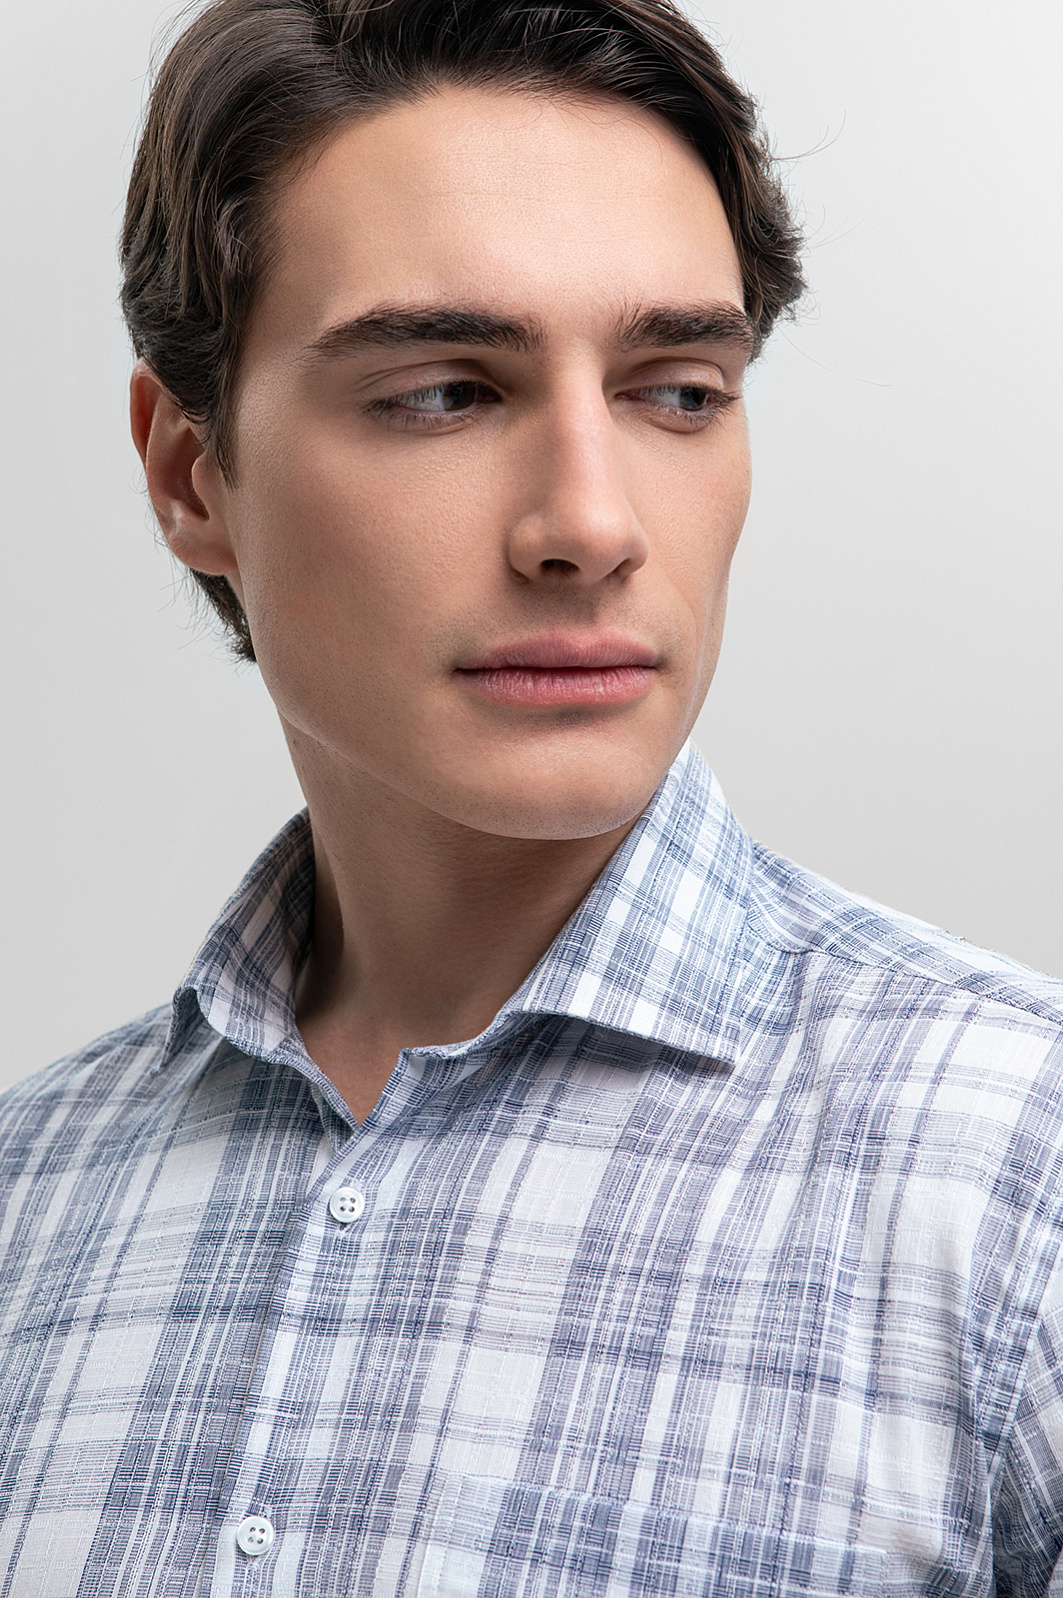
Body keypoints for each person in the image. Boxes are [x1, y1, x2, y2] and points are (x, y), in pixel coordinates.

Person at [1, 0, 1061, 1592]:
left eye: (677, 390)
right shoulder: (27, 1200)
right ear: (190, 474)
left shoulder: (1025, 1189)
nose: (591, 524)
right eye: (444, 391)